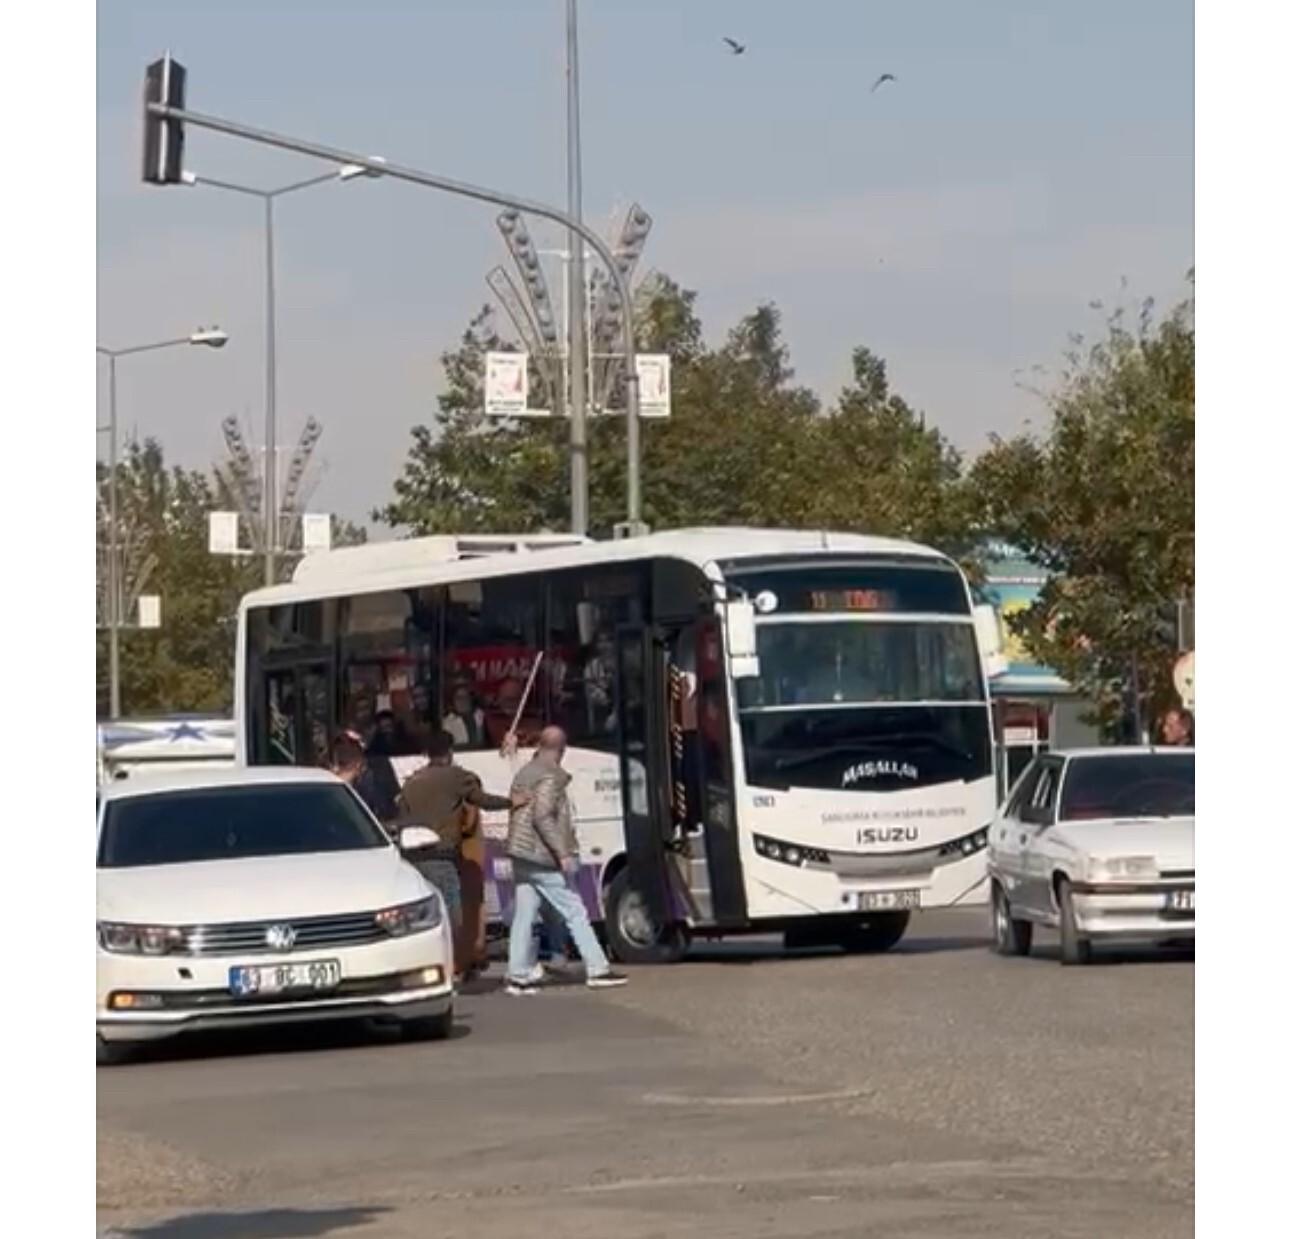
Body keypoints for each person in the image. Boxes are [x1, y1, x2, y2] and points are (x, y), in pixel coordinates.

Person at [504, 725, 628, 994]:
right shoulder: (551, 776)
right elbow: (542, 816)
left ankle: (517, 975)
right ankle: (597, 969)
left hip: (521, 854)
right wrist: (561, 852)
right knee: (575, 910)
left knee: (524, 915)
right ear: (563, 749)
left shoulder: (527, 771)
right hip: (541, 856)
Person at [395, 730, 519, 978]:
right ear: (450, 753)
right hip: (442, 857)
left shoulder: (412, 781)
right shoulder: (457, 777)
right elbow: (481, 800)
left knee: (423, 917)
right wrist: (511, 802)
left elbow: (401, 815)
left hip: (413, 859)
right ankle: (450, 968)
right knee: (453, 917)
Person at [331, 731, 398, 824]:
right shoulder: (329, 777)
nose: (345, 748)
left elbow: (389, 800)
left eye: (351, 744)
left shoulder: (377, 770)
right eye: (340, 743)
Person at [443, 683, 488, 750]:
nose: (462, 701)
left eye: (465, 697)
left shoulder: (481, 715)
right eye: (459, 698)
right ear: (453, 701)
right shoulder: (447, 722)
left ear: (470, 699)